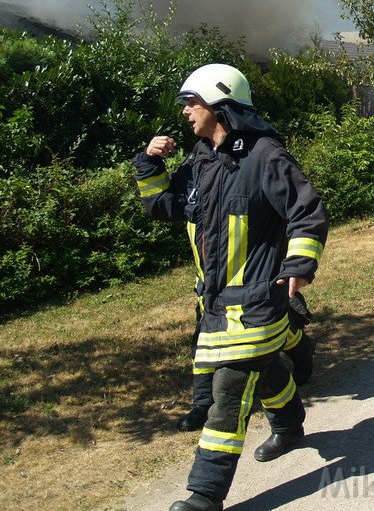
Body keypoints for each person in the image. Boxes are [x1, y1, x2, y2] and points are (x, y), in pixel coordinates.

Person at [134, 63, 329, 511]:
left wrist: (300, 263)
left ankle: (205, 495)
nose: (186, 112)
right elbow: (165, 207)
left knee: (228, 393)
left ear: (219, 104)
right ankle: (291, 419)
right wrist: (150, 163)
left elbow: (307, 211)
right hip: (215, 301)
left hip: (258, 298)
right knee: (264, 372)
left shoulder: (264, 155)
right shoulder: (200, 159)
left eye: (192, 103)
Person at [177, 292, 316, 432]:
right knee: (204, 341)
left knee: (268, 333)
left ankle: (303, 351)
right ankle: (203, 402)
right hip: (212, 288)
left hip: (254, 285)